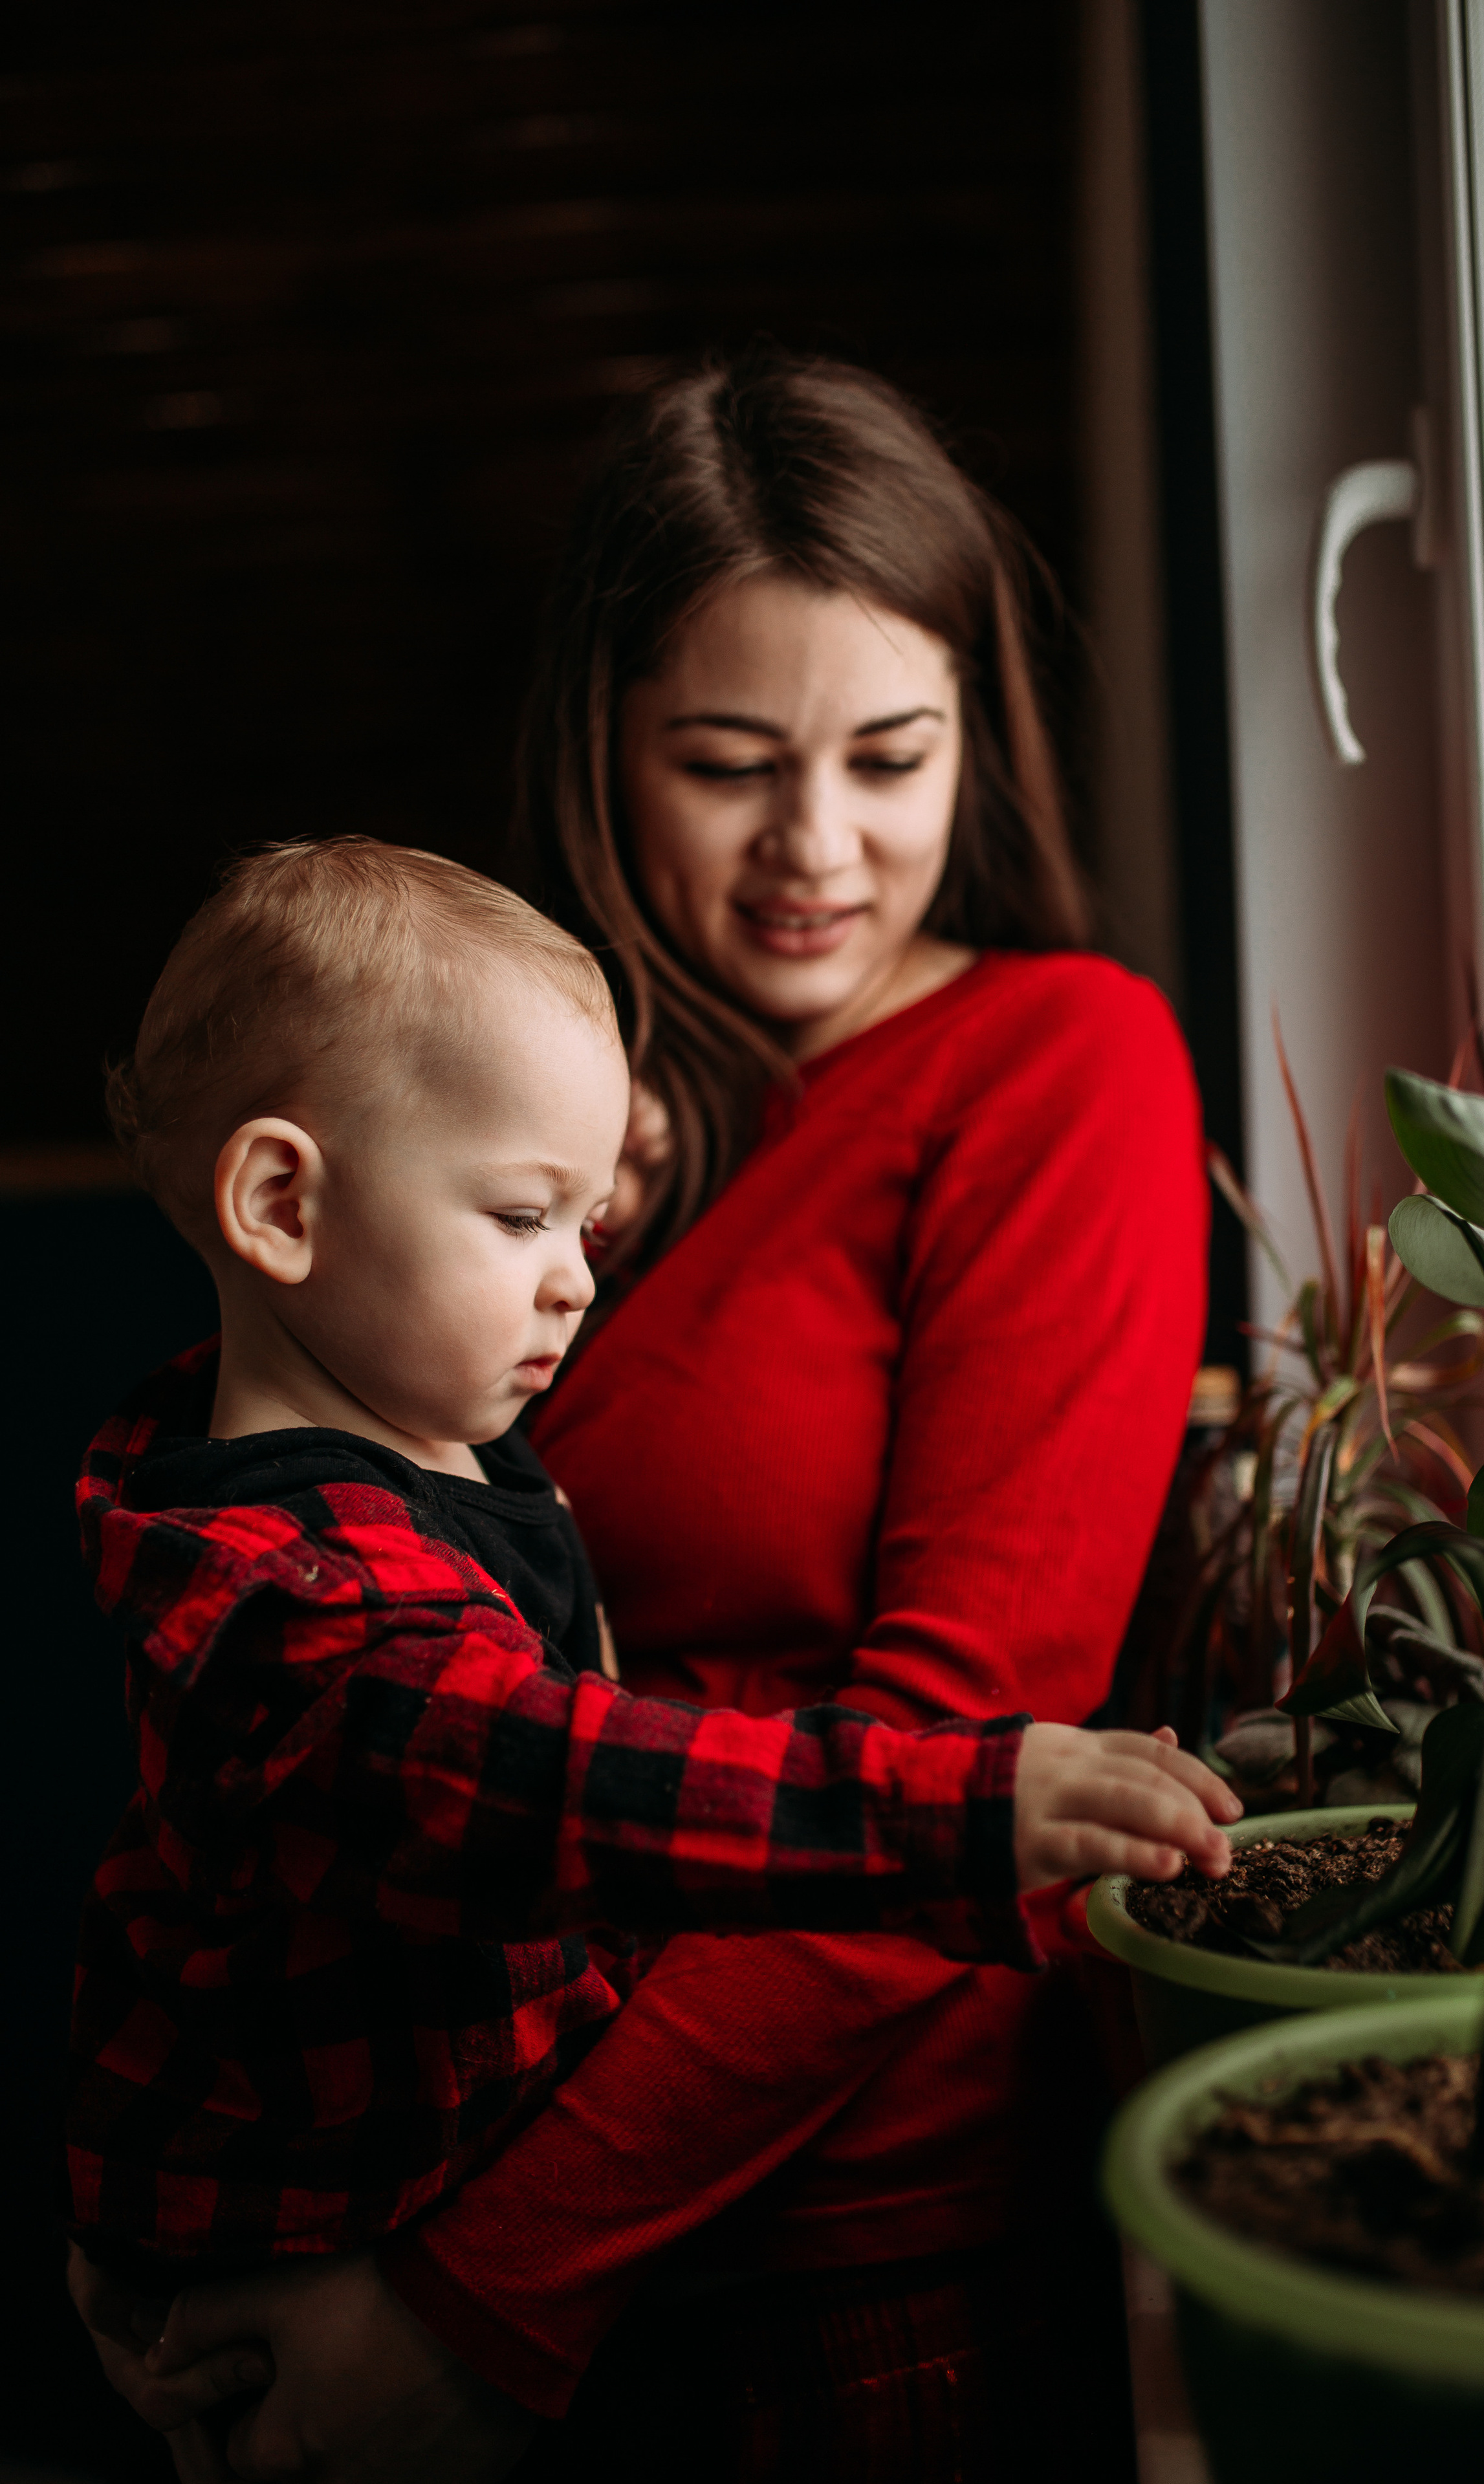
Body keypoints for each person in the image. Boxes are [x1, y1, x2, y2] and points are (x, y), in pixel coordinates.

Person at [72, 351, 1214, 2483]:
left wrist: (468, 2299)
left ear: (984, 741)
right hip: (411, 2198)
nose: (818, 847)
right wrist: (162, 2187)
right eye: (726, 763)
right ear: (605, 745)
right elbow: (280, 1684)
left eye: (894, 756)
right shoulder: (512, 1118)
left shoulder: (1057, 1068)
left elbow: (952, 1730)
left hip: (825, 2261)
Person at [69, 835, 1231, 2300]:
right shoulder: (296, 1600)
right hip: (314, 2268)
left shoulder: (432, 1452)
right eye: (519, 1218)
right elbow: (564, 1782)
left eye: (589, 1224)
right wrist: (962, 1808)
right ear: (284, 1209)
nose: (576, 1276)